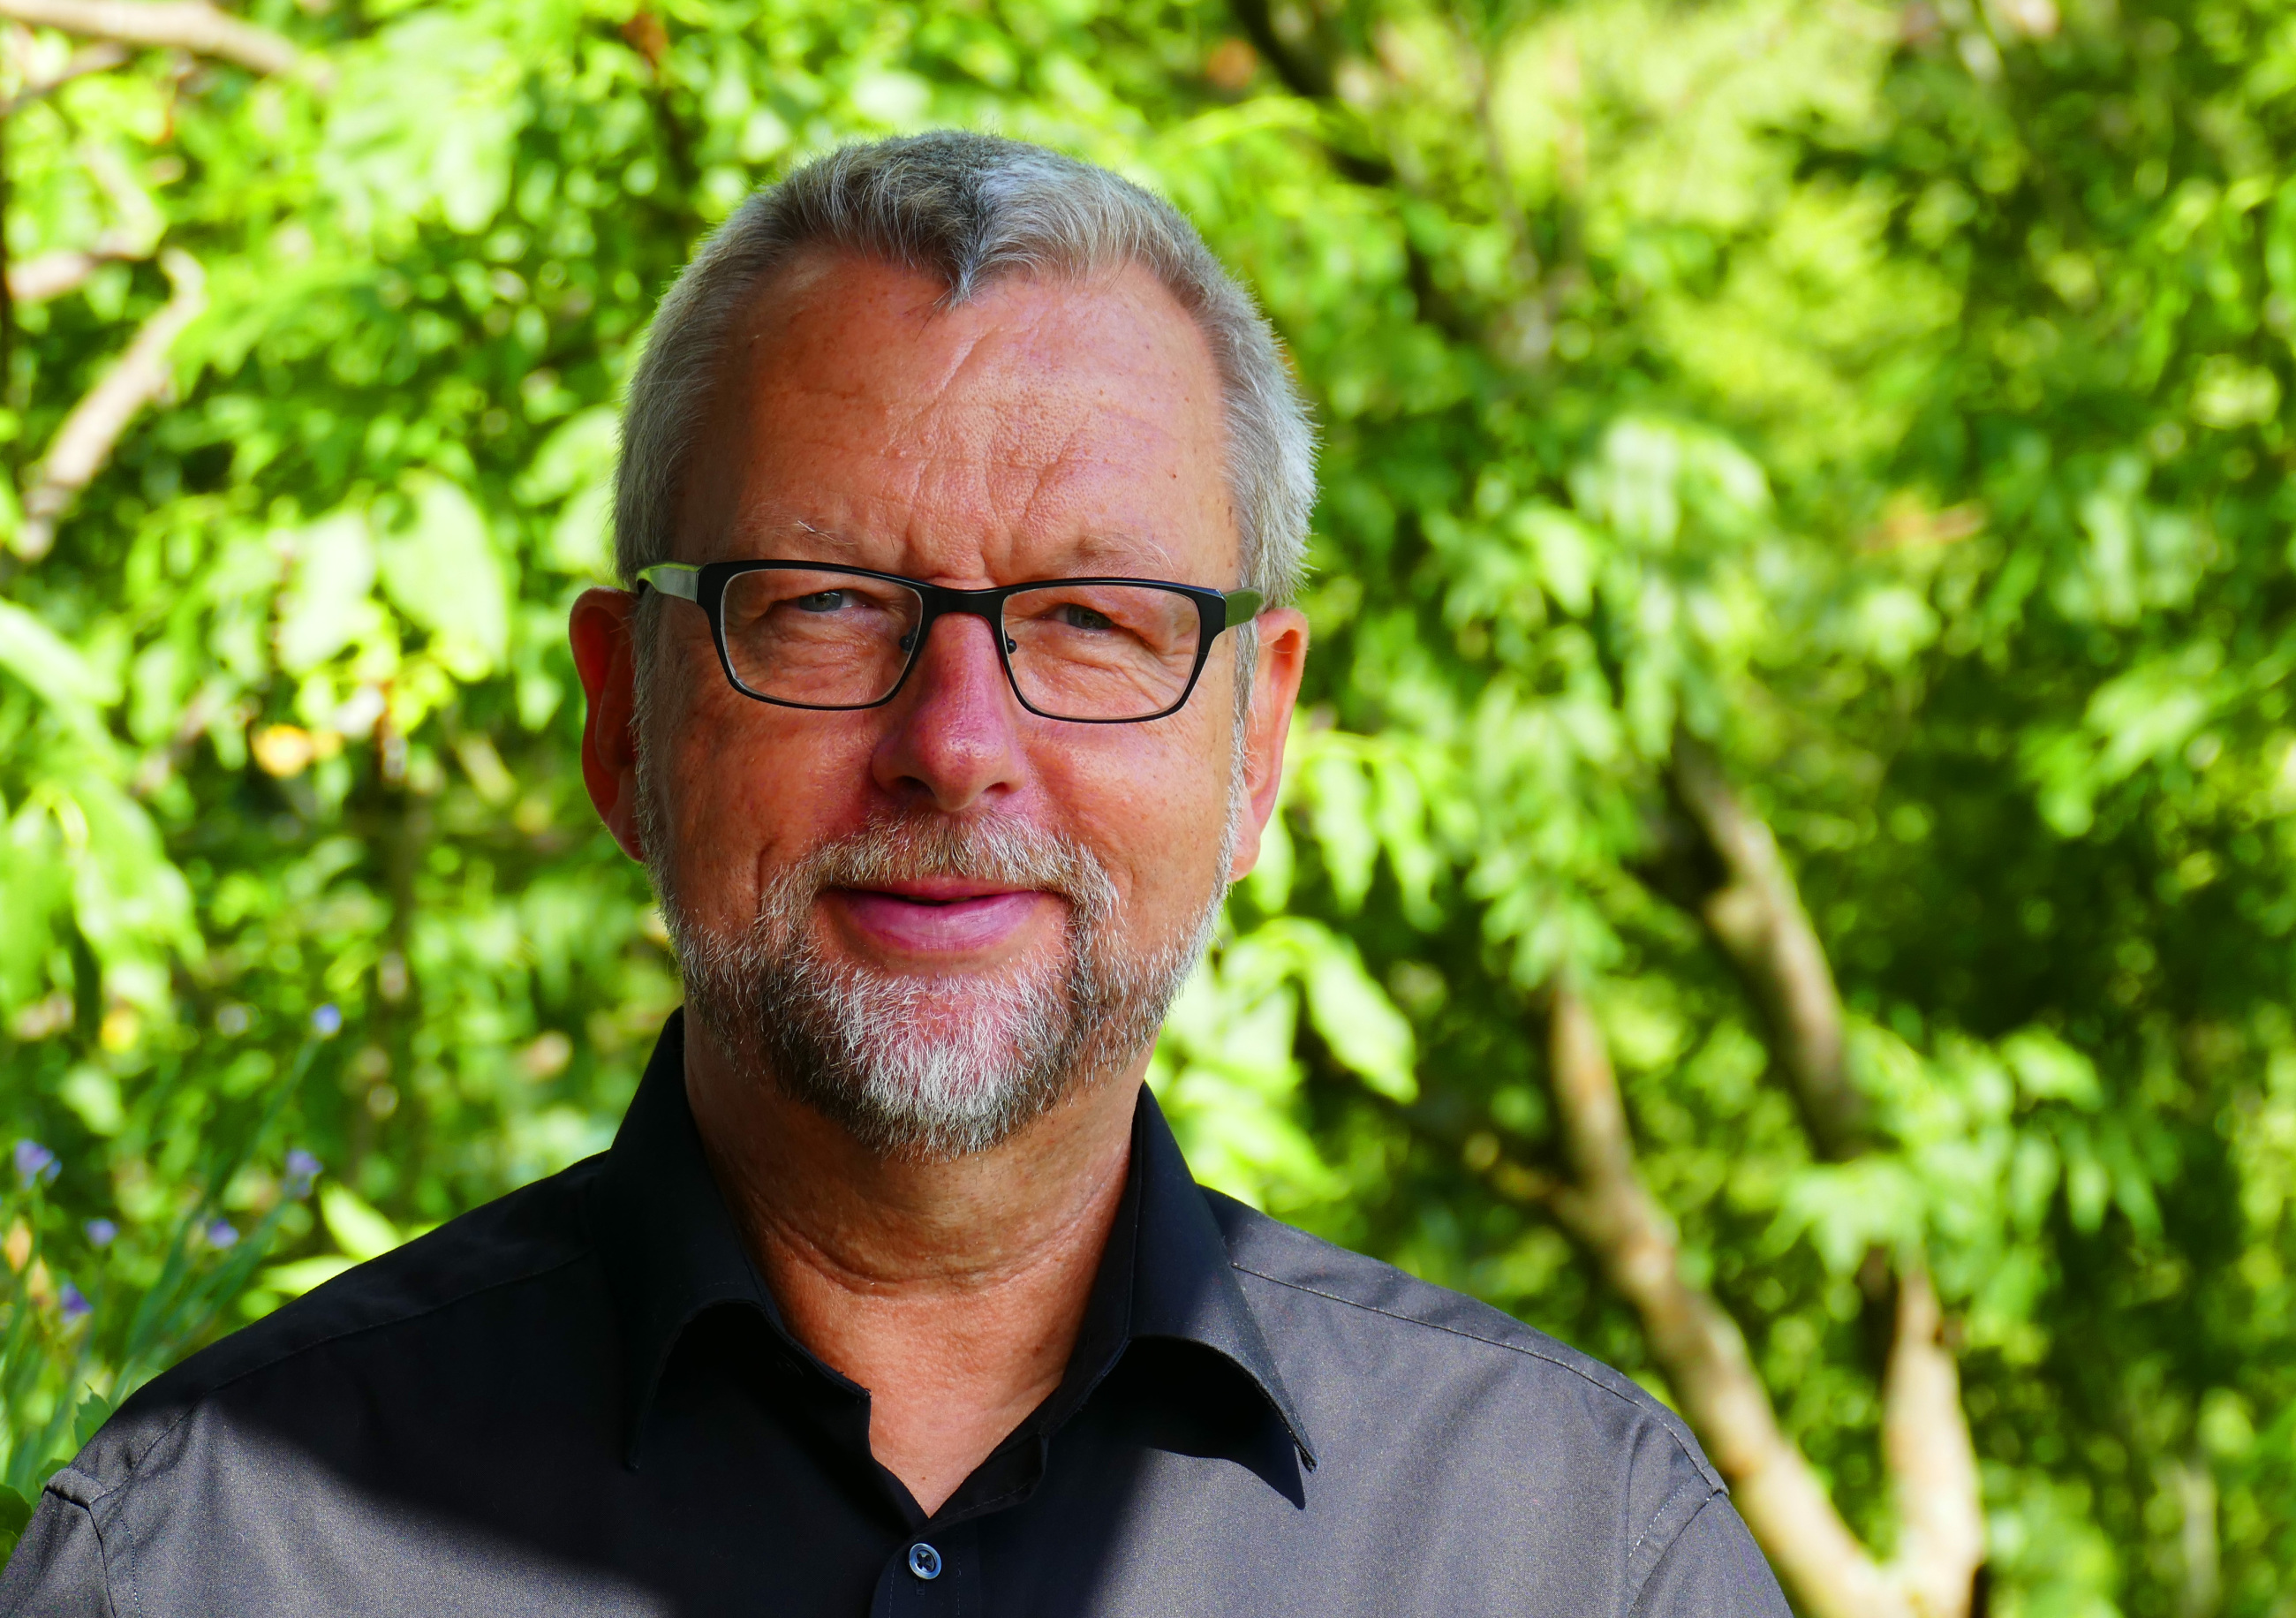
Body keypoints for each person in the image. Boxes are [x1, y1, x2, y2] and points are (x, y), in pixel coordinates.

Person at [0, 132, 1788, 1616]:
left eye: (1093, 618)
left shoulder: (1578, 1549)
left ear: (1255, 746)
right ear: (624, 721)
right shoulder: (215, 1555)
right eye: (827, 604)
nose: (956, 740)